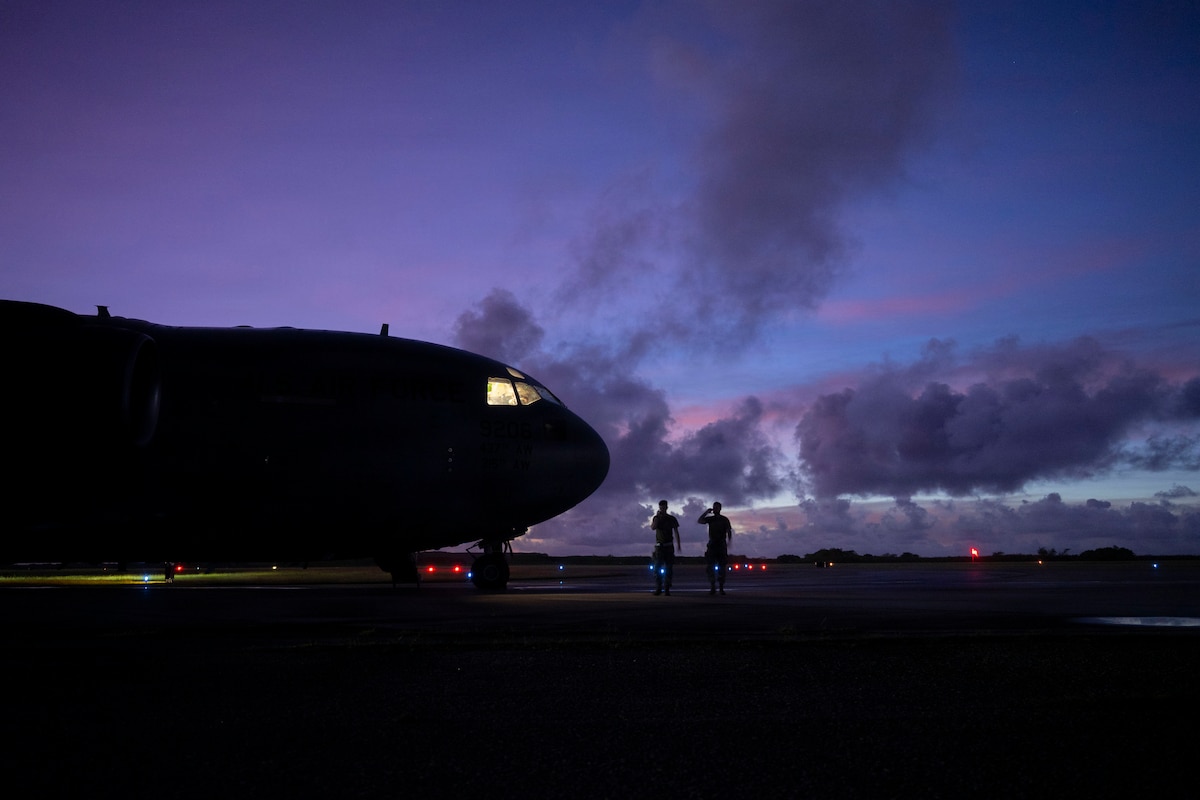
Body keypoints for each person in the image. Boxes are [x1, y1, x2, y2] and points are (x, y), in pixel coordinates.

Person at [698, 502, 732, 595]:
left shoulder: (724, 519)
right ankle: (713, 586)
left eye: (717, 507)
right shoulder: (710, 519)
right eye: (714, 508)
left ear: (720, 509)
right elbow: (700, 520)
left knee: (722, 567)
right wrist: (706, 512)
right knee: (710, 566)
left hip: (721, 544)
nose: (715, 509)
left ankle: (721, 587)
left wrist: (729, 541)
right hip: (712, 544)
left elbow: (729, 531)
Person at [650, 500, 681, 595]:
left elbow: (676, 532)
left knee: (669, 568)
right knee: (657, 568)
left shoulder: (671, 519)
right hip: (659, 547)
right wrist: (657, 518)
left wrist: (678, 544)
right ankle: (658, 588)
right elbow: (653, 527)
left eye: (664, 507)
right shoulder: (656, 518)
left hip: (668, 546)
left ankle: (667, 588)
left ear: (666, 507)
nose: (662, 509)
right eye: (661, 508)